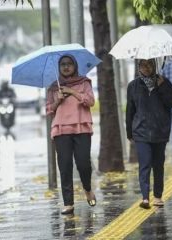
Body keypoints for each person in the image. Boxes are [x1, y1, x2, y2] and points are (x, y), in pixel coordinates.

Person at [46, 54, 96, 215]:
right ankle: (68, 203)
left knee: (83, 164)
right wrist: (58, 100)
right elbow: (49, 110)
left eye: (69, 64)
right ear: (59, 68)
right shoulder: (54, 87)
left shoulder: (84, 82)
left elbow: (90, 102)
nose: (66, 67)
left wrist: (72, 92)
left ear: (75, 66)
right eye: (63, 64)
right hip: (61, 130)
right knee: (65, 166)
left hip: (81, 128)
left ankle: (87, 189)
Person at [126, 58, 172, 209]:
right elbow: (130, 110)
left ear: (154, 65)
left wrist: (162, 87)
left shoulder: (164, 82)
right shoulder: (133, 86)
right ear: (139, 67)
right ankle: (145, 198)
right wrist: (130, 131)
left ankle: (158, 196)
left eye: (149, 64)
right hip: (140, 131)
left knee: (158, 164)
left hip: (160, 130)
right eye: (143, 65)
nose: (146, 67)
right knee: (145, 164)